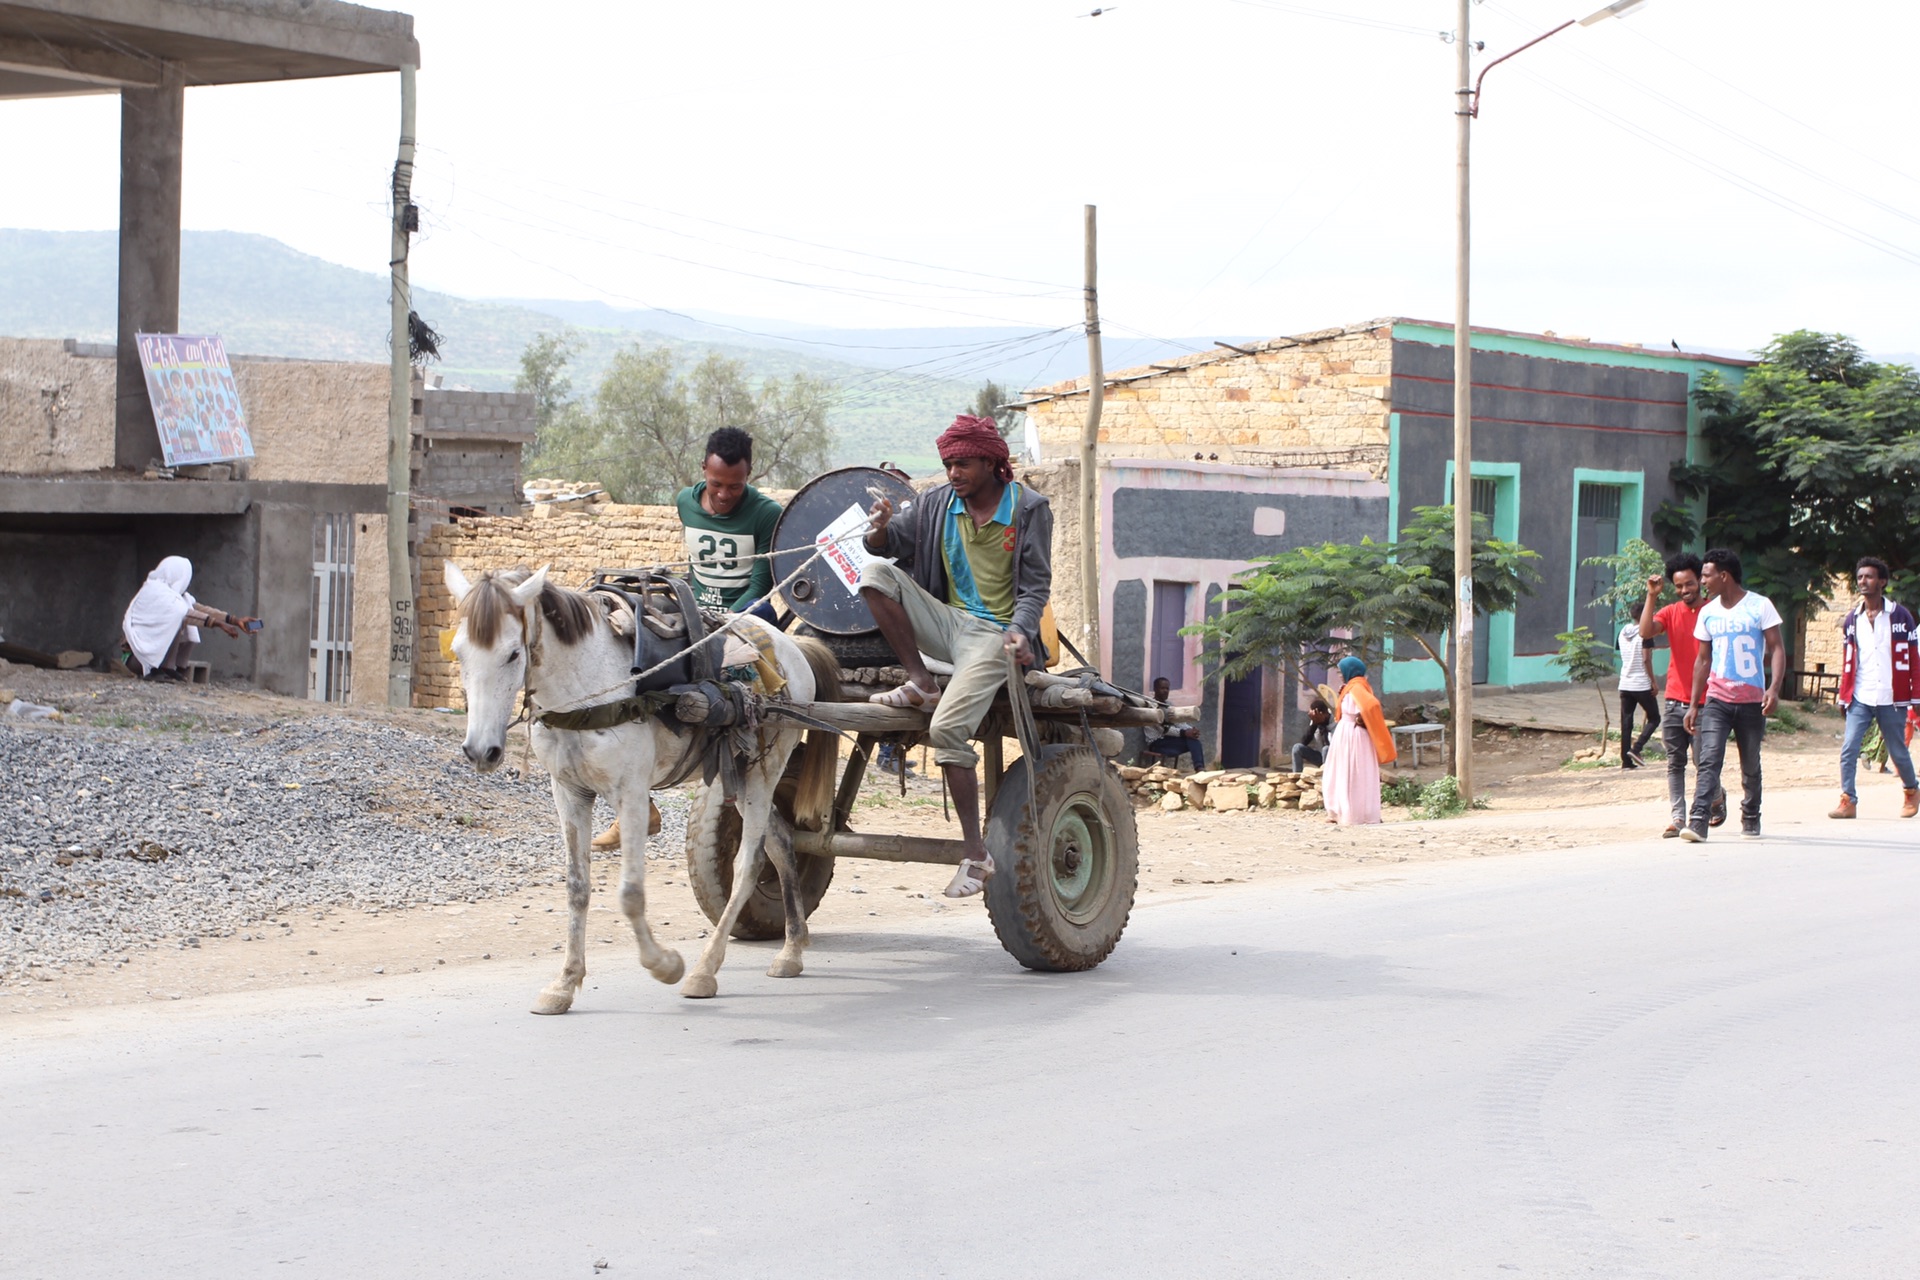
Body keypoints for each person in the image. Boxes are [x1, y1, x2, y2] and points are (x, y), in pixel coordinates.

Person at [860, 413, 1053, 898]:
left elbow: (1035, 587)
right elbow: (890, 545)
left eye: (962, 464)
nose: (953, 473)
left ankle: (976, 854)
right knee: (874, 575)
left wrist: (1020, 631)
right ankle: (920, 681)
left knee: (947, 728)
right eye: (948, 464)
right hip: (946, 622)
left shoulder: (1029, 509)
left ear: (991, 462)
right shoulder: (935, 503)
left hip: (995, 637)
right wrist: (880, 531)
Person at [1680, 548, 1785, 841]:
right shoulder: (1708, 612)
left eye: (1706, 575)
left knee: (1750, 764)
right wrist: (1693, 705)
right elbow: (1702, 660)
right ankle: (1698, 821)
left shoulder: (1760, 606)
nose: (1702, 581)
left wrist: (1773, 689)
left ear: (1724, 576)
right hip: (1717, 700)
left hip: (1752, 701)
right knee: (1709, 759)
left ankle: (1751, 815)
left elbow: (1776, 648)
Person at [1638, 553, 1726, 837]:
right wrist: (1652, 596)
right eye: (1679, 586)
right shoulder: (1672, 611)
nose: (1684, 591)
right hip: (1674, 700)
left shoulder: (1714, 611)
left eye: (1689, 584)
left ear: (1700, 581)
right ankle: (1678, 818)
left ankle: (1716, 796)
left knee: (1703, 762)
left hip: (1706, 702)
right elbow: (1645, 631)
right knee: (1675, 762)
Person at [1830, 556, 1920, 820]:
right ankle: (1848, 800)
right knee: (1848, 747)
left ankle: (1911, 792)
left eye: (1869, 577)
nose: (1863, 581)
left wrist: (1916, 695)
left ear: (1882, 581)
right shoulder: (1852, 619)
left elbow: (1913, 659)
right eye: (1859, 577)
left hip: (1892, 697)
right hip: (1861, 695)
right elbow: (1847, 660)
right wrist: (1843, 696)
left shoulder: (1900, 616)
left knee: (1897, 749)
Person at [675, 426, 783, 621]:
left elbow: (760, 586)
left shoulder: (766, 514)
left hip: (743, 616)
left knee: (762, 610)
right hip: (698, 614)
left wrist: (726, 620)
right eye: (715, 484)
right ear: (703, 468)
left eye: (735, 487)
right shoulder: (685, 502)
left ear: (748, 473)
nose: (724, 495)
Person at [120, 555, 258, 680]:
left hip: (154, 657)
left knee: (182, 616)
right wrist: (219, 625)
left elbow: (200, 609)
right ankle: (156, 670)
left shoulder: (177, 597)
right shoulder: (156, 593)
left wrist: (235, 620)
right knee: (179, 618)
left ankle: (167, 668)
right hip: (137, 658)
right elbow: (186, 614)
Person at [1321, 656, 1396, 826]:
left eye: (1341, 671)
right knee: (1344, 772)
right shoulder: (1354, 685)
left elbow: (1372, 705)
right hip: (1348, 733)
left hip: (1352, 735)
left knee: (1351, 772)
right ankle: (1341, 811)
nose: (1339, 675)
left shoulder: (1356, 686)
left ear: (1350, 671)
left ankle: (1351, 813)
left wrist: (1361, 718)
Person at [1617, 618, 1659, 769]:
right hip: (1641, 683)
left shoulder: (1622, 632)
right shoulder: (1646, 634)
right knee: (1655, 718)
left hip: (1625, 683)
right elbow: (1646, 659)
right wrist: (1653, 681)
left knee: (1626, 722)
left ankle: (1625, 761)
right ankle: (1636, 748)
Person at [1143, 675, 1204, 772]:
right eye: (1162, 688)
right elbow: (1163, 730)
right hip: (1157, 743)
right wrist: (1184, 733)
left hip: (1170, 740)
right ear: (1155, 689)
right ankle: (1199, 769)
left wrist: (1191, 730)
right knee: (1188, 738)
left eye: (1167, 688)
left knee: (1193, 740)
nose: (1165, 691)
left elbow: (1179, 722)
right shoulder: (1150, 706)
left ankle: (1199, 768)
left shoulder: (1169, 705)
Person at [1292, 698, 1333, 772]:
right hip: (1320, 756)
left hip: (1334, 759)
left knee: (1326, 749)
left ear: (1323, 714)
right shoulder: (1316, 719)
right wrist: (1315, 724)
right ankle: (1296, 778)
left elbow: (1329, 746)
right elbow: (1304, 742)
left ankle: (1325, 779)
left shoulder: (1335, 722)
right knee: (1297, 748)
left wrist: (1323, 725)